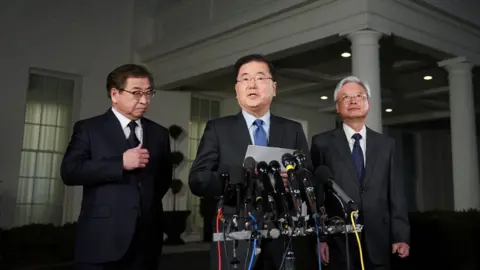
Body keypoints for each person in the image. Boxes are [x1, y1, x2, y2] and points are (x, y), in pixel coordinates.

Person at [189, 54, 317, 270]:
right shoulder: (218, 129)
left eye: (260, 78)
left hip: (283, 235)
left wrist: (293, 180)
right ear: (236, 90)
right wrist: (235, 179)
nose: (252, 84)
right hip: (235, 233)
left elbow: (310, 177)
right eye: (245, 79)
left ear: (274, 88)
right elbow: (198, 179)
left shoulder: (292, 129)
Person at [61, 64, 172, 270]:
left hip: (146, 242)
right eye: (136, 93)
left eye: (149, 93)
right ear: (115, 94)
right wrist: (119, 163)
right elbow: (70, 171)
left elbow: (163, 180)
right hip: (101, 240)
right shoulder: (89, 129)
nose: (144, 100)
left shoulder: (159, 134)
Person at [310, 76, 410, 270]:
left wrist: (401, 236)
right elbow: (317, 195)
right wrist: (320, 238)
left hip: (379, 238)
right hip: (339, 240)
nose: (353, 100)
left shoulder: (386, 145)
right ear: (338, 107)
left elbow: (396, 193)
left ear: (368, 104)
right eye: (346, 97)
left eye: (359, 96)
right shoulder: (321, 143)